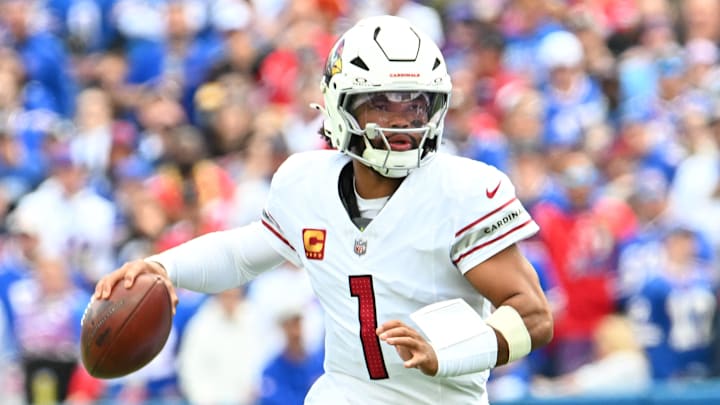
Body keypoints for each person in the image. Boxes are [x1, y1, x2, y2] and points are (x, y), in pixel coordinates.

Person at [93, 15, 553, 404]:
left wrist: (451, 351)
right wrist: (161, 266)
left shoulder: (462, 191)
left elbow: (533, 315)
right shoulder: (306, 183)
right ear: (339, 105)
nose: (401, 121)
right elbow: (242, 253)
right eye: (380, 104)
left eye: (416, 105)